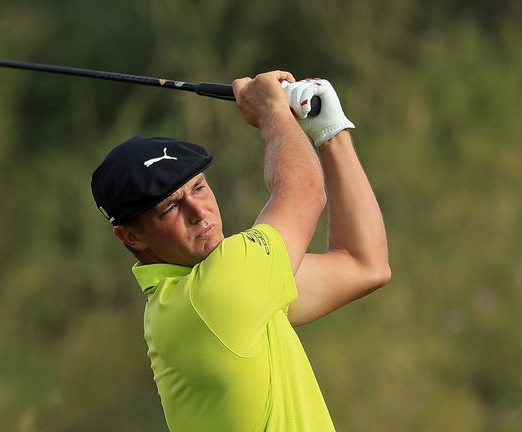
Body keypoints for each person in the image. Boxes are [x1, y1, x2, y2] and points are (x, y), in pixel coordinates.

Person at [90, 70, 390, 432]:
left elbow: (363, 264)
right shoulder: (212, 296)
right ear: (132, 237)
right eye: (170, 208)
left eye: (198, 188)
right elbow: (305, 191)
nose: (199, 212)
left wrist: (332, 134)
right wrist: (270, 111)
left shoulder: (208, 297)